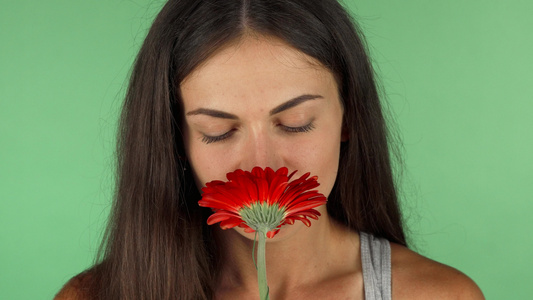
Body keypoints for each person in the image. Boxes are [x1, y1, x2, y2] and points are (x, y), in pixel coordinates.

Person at [56, 0, 484, 299]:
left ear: (348, 118)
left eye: (296, 123)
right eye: (219, 131)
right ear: (174, 140)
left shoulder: (441, 295)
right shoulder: (92, 296)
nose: (262, 167)